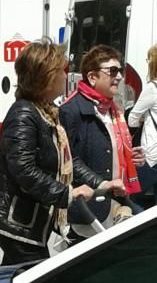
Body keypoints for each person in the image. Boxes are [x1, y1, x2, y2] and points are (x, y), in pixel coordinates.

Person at [0, 40, 119, 266]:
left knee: (14, 279)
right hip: (17, 222)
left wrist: (101, 184)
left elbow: (69, 160)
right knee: (33, 280)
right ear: (44, 78)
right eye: (60, 72)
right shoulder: (24, 114)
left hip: (32, 221)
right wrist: (67, 194)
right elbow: (23, 170)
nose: (65, 77)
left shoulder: (47, 113)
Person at [59, 45, 143, 241]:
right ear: (92, 77)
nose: (120, 76)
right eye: (112, 71)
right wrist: (102, 183)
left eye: (120, 70)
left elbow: (110, 149)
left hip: (116, 200)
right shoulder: (72, 110)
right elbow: (69, 161)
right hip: (89, 207)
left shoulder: (113, 109)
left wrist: (131, 157)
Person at [127, 43, 157, 206]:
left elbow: (132, 119)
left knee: (134, 200)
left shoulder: (153, 88)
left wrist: (144, 119)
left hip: (151, 155)